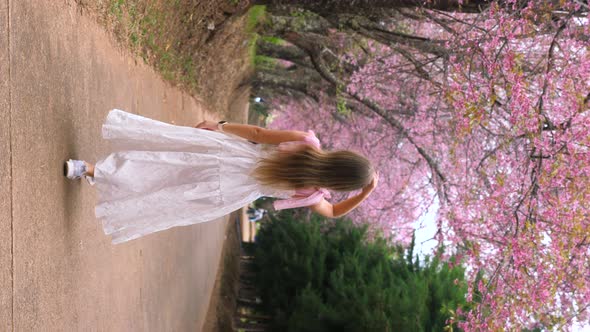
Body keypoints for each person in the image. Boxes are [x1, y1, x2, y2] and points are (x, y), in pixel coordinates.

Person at [64, 109, 378, 244]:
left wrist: (220, 126)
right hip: (230, 190)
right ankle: (94, 171)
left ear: (341, 156)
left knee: (163, 162)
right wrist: (364, 193)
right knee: (169, 191)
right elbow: (334, 212)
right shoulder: (312, 194)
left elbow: (258, 132)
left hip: (229, 156)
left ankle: (91, 170)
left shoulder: (307, 143)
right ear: (340, 184)